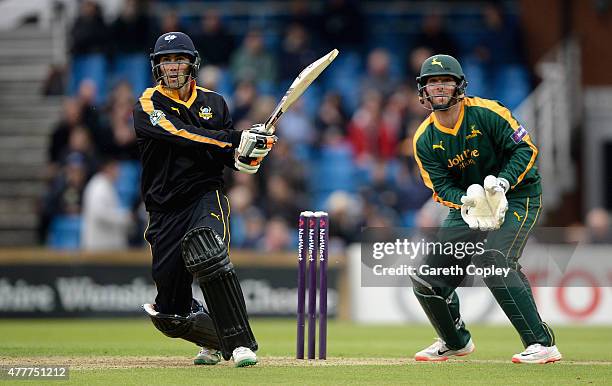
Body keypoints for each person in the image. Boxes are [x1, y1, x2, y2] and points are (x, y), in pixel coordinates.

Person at [134, 32, 277, 367]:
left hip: (204, 195)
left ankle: (241, 344)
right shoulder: (147, 104)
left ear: (192, 63)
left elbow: (234, 161)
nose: (172, 67)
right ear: (157, 66)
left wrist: (254, 149)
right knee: (171, 314)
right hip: (165, 209)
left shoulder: (215, 103)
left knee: (208, 251)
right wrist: (234, 138)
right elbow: (182, 135)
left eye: (178, 59)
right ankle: (213, 340)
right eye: (165, 60)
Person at [410, 54, 562, 364]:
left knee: (494, 261)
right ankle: (455, 341)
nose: (439, 88)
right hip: (470, 207)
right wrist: (468, 201)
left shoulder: (489, 113)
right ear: (423, 91)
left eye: (446, 82)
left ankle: (541, 343)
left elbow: (525, 148)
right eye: (432, 83)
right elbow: (440, 187)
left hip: (519, 195)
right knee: (426, 278)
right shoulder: (424, 139)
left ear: (459, 86)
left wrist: (502, 184)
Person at [81, 158, 133, 250]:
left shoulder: (106, 185)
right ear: (108, 168)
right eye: (116, 169)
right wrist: (124, 217)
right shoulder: (99, 186)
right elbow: (100, 213)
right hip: (100, 248)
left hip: (107, 247)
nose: (119, 173)